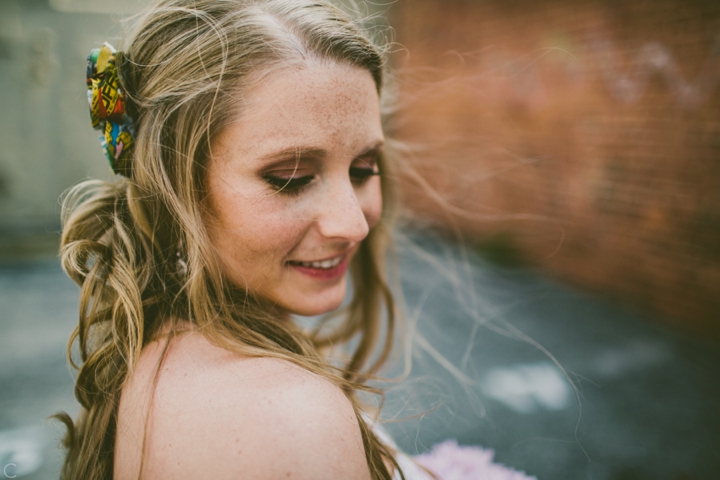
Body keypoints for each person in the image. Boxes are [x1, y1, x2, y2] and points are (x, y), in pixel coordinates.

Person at [56, 1, 537, 479]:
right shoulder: (286, 419)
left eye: (364, 169)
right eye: (290, 178)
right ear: (171, 187)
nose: (353, 224)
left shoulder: (165, 347)